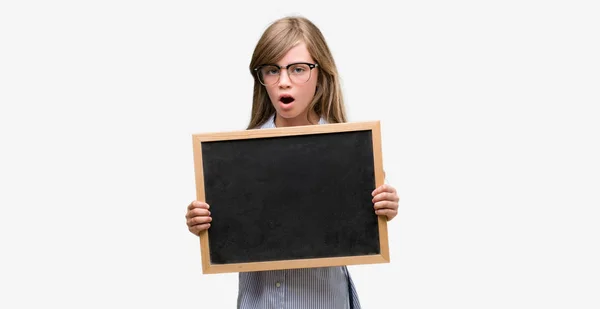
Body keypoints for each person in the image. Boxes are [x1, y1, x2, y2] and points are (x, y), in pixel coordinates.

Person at [185, 15, 400, 309]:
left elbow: (361, 228)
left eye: (298, 69)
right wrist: (204, 223)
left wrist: (384, 207)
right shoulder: (236, 159)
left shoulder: (351, 153)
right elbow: (227, 234)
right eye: (272, 71)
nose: (284, 82)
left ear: (320, 74)